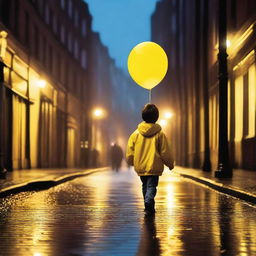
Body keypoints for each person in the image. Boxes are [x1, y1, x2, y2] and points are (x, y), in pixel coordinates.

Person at [126, 103, 174, 216]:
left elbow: (130, 149)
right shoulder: (160, 134)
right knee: (152, 186)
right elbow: (165, 151)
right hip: (154, 165)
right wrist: (170, 163)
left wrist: (131, 161)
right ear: (156, 117)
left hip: (141, 166)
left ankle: (147, 206)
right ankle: (148, 202)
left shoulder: (135, 134)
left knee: (145, 185)